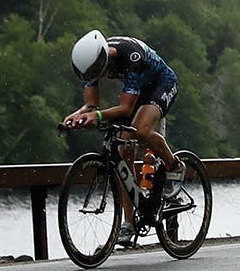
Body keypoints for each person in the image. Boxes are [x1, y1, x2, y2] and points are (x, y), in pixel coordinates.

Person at [62, 30, 184, 228]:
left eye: (98, 73)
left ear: (105, 59)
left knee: (140, 130)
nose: (97, 77)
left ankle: (175, 166)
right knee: (122, 152)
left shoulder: (131, 57)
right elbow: (90, 106)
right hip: (137, 91)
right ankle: (129, 222)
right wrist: (76, 116)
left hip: (162, 83)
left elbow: (125, 108)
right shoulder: (92, 62)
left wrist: (98, 116)